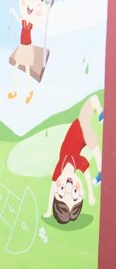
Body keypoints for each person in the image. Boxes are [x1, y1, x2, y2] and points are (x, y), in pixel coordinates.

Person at [44, 95, 103, 224]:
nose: (69, 186)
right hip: (84, 132)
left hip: (80, 124)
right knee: (93, 145)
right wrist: (90, 194)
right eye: (75, 192)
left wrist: (49, 210)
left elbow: (52, 190)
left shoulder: (60, 168)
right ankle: (101, 173)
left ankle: (100, 111)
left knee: (93, 101)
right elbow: (86, 173)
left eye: (62, 190)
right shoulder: (77, 161)